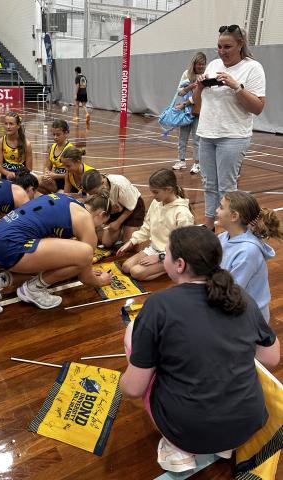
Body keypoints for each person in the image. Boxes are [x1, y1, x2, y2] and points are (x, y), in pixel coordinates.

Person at [120, 225, 280, 473]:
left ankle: (178, 450)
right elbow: (272, 357)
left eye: (167, 254)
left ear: (180, 264)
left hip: (189, 432)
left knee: (133, 335)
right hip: (248, 425)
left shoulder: (159, 305)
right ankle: (221, 443)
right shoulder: (240, 297)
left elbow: (133, 388)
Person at [0, 192, 113, 313]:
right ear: (102, 214)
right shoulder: (85, 219)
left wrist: (84, 267)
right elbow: (85, 277)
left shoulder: (65, 199)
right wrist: (101, 280)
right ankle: (33, 290)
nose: (99, 228)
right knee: (85, 253)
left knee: (62, 258)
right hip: (9, 246)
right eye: (102, 224)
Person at [193, 25, 266, 230]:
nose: (222, 51)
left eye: (227, 46)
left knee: (227, 189)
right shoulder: (214, 64)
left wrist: (236, 87)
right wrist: (199, 86)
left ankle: (230, 232)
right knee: (209, 185)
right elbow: (196, 103)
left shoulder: (253, 68)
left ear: (240, 44)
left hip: (233, 136)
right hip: (206, 133)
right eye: (219, 46)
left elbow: (258, 107)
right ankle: (208, 227)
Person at [216, 191, 283, 323]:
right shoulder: (223, 237)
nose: (216, 210)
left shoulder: (248, 252)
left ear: (234, 216)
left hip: (249, 317)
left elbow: (232, 290)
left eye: (221, 207)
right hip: (232, 304)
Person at [117, 169, 193, 281]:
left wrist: (160, 257)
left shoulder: (182, 213)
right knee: (126, 267)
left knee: (135, 272)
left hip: (173, 254)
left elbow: (183, 245)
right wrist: (132, 241)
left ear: (169, 189)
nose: (152, 195)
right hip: (154, 249)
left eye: (155, 192)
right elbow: (147, 226)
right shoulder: (156, 203)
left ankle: (174, 267)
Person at [82, 168, 145, 247]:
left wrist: (117, 222)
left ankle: (129, 230)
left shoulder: (120, 184)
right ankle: (122, 231)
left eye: (96, 193)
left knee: (129, 244)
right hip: (115, 210)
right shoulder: (92, 187)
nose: (94, 195)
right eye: (91, 194)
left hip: (133, 207)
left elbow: (131, 207)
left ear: (103, 182)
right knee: (107, 243)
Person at [172, 52, 206, 174]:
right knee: (182, 138)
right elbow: (180, 92)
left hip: (198, 111)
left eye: (203, 64)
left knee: (197, 140)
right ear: (194, 64)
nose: (201, 67)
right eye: (199, 64)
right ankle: (181, 160)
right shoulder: (186, 74)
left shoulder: (206, 76)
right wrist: (191, 86)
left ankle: (197, 163)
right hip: (186, 111)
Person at [38, 119, 73, 193]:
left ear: (66, 133)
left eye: (58, 134)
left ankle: (59, 196)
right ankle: (52, 199)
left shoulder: (70, 149)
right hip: (55, 180)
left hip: (68, 182)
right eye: (53, 134)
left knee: (60, 193)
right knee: (36, 182)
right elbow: (47, 166)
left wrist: (55, 176)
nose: (55, 137)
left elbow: (73, 174)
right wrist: (47, 173)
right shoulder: (52, 147)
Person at [0, 111, 33, 180]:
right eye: (6, 124)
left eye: (11, 124)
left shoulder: (27, 144)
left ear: (18, 125)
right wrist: (8, 173)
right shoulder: (0, 142)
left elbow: (29, 168)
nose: (8, 127)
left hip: (22, 178)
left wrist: (16, 175)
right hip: (6, 177)